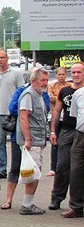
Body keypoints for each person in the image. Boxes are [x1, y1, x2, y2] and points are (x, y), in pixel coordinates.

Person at [15, 67, 50, 215]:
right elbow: (24, 117)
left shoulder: (39, 94)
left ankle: (29, 203)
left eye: (47, 80)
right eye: (43, 80)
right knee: (31, 173)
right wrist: (28, 139)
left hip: (38, 139)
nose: (45, 83)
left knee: (36, 171)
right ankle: (26, 205)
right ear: (33, 81)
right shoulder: (29, 94)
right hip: (32, 140)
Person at [49, 63, 83, 211]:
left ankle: (77, 202)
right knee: (62, 166)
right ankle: (56, 198)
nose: (75, 75)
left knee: (78, 169)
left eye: (79, 72)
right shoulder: (65, 91)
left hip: (81, 132)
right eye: (73, 72)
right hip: (67, 130)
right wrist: (53, 131)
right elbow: (57, 111)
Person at [0, 50, 25, 178]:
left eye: (2, 57)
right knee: (0, 142)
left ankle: (18, 168)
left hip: (13, 113)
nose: (0, 60)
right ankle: (1, 169)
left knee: (17, 141)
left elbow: (21, 93)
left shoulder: (16, 74)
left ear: (7, 58)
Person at [61, 86, 84, 218]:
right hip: (80, 135)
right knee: (75, 170)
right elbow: (75, 115)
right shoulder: (79, 94)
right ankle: (76, 206)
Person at [47, 66, 70, 177]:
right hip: (54, 117)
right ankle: (53, 167)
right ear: (56, 75)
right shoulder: (52, 86)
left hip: (66, 117)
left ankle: (65, 166)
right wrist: (61, 97)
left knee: (66, 143)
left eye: (63, 74)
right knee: (54, 142)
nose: (61, 76)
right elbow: (50, 98)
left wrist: (58, 97)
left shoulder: (70, 86)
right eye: (59, 74)